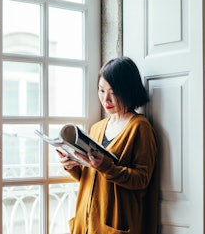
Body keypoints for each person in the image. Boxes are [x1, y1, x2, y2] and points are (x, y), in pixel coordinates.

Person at [58, 56, 159, 234]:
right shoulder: (97, 127)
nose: (106, 99)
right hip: (87, 222)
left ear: (128, 91)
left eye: (113, 92)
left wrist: (108, 167)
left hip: (115, 224)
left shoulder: (140, 127)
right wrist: (72, 165)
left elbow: (142, 179)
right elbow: (92, 177)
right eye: (101, 90)